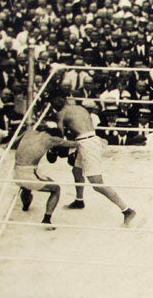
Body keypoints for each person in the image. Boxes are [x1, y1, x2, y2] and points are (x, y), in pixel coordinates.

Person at [52, 92, 137, 227]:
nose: (55, 102)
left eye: (56, 99)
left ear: (62, 99)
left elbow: (59, 137)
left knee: (97, 183)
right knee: (76, 171)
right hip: (89, 139)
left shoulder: (60, 114)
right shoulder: (80, 108)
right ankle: (79, 200)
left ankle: (127, 210)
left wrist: (54, 149)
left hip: (86, 144)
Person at [14, 125, 78, 229]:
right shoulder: (51, 140)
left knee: (26, 186)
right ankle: (46, 220)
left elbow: (12, 143)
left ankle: (25, 206)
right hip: (29, 175)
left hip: (16, 172)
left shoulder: (29, 132)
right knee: (56, 189)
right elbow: (74, 144)